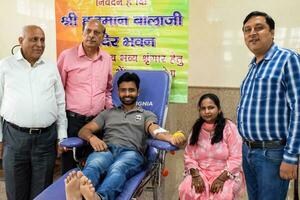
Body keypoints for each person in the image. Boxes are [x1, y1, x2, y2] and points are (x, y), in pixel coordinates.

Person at [64, 72, 186, 200]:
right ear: (118, 92)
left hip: (131, 153)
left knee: (118, 168)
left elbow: (155, 130)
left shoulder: (146, 114)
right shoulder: (107, 113)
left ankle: (99, 197)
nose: (127, 94)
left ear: (138, 92)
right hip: (106, 150)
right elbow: (84, 130)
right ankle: (78, 194)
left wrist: (171, 138)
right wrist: (92, 138)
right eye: (123, 90)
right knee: (95, 163)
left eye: (131, 90)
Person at [237, 11, 300, 200]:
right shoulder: (253, 66)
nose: (252, 33)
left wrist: (291, 157)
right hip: (249, 151)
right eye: (247, 30)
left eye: (259, 27)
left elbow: (298, 109)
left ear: (272, 32)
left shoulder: (287, 59)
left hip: (272, 154)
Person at [0, 25, 67, 200]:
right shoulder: (5, 66)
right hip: (15, 139)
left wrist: (62, 136)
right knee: (16, 191)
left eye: (42, 40)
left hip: (46, 141)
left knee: (42, 192)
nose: (39, 44)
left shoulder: (51, 67)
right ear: (21, 41)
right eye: (34, 39)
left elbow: (60, 103)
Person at [57, 19, 113, 174]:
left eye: (96, 32)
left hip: (97, 122)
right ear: (82, 33)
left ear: (102, 37)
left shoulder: (107, 59)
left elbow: (108, 89)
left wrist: (110, 112)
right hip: (72, 121)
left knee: (95, 166)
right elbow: (58, 90)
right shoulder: (67, 56)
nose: (91, 35)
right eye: (88, 31)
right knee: (70, 170)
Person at [178, 93, 243, 200]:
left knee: (222, 194)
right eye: (203, 108)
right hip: (200, 171)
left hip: (225, 172)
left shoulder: (229, 128)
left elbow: (236, 157)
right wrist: (195, 175)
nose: (207, 111)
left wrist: (221, 179)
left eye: (211, 107)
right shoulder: (197, 129)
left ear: (219, 109)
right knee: (187, 189)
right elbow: (189, 155)